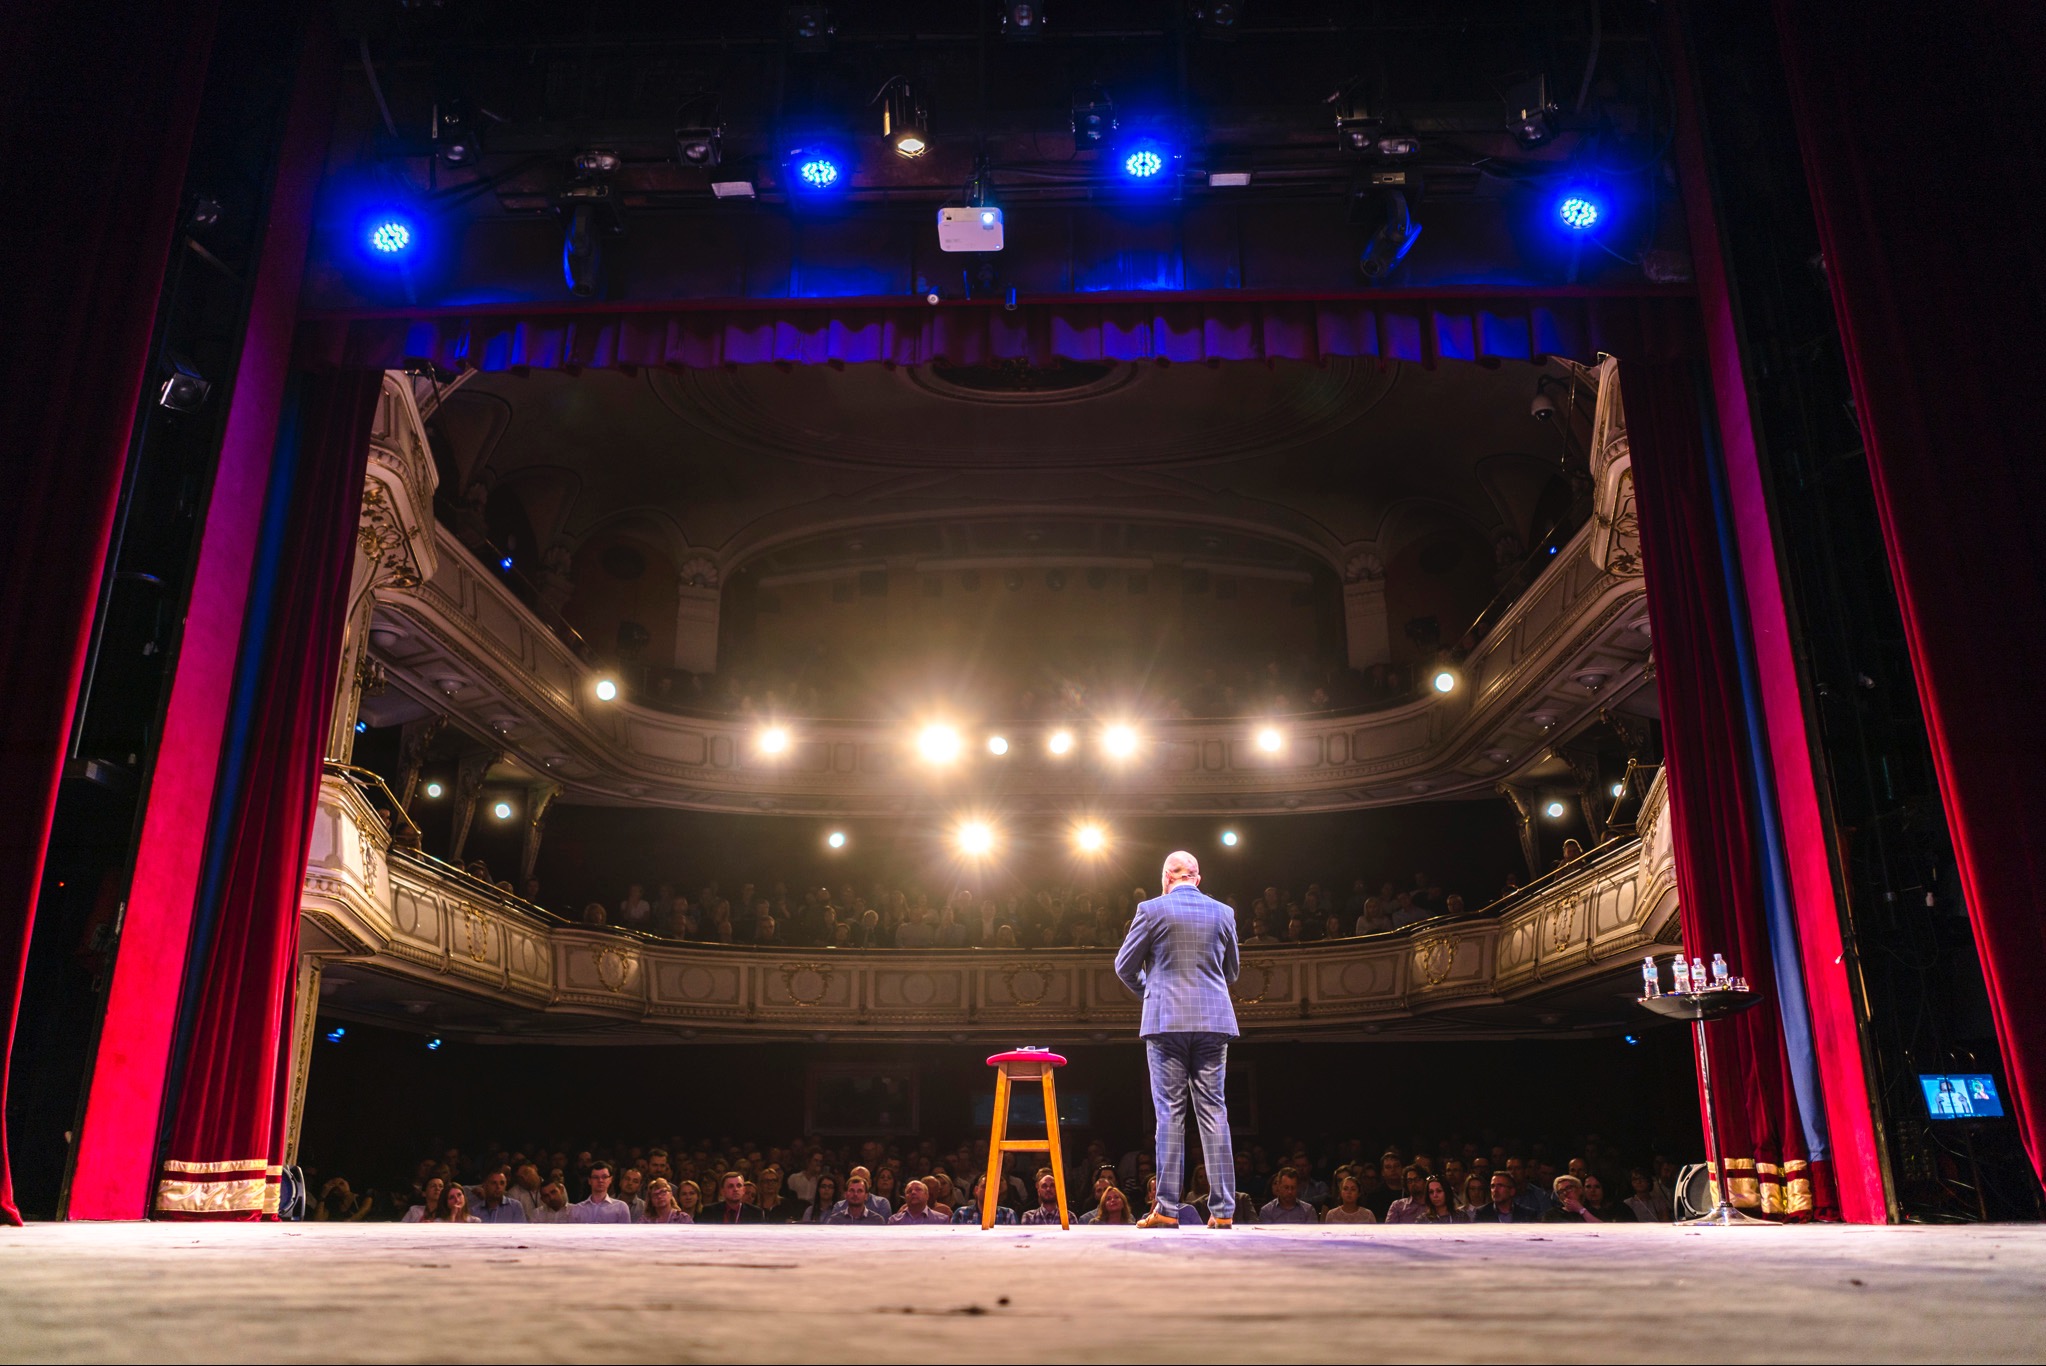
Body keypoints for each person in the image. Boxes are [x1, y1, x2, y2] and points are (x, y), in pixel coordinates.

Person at [1114, 849, 1240, 1230]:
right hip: (1213, 1018)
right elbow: (1231, 972)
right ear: (1196, 878)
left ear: (1167, 877)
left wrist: (1152, 990)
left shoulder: (1151, 909)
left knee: (1170, 1112)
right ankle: (1223, 1211)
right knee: (1214, 1111)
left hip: (1166, 1020)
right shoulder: (1223, 912)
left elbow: (1124, 966)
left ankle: (1167, 1208)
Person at [702, 1170, 766, 1225]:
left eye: (739, 1186)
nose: (735, 1189)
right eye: (731, 1186)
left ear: (743, 1190)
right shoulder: (709, 1211)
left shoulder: (756, 1213)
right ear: (722, 1191)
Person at [1469, 1173, 1538, 1223]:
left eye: (1500, 1186)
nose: (1495, 1190)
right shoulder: (1482, 1213)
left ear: (1512, 1191)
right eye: (1492, 1186)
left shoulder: (1528, 1215)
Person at [951, 1174, 1017, 1226]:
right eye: (984, 1186)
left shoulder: (1009, 1214)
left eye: (992, 1187)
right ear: (976, 1190)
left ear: (998, 1192)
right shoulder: (961, 1213)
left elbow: (1015, 1240)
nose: (988, 1190)